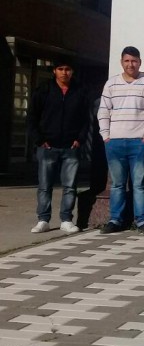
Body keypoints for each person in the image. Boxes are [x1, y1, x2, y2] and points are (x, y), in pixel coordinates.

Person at [97, 46, 144, 235]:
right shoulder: (111, 84)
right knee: (117, 184)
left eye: (134, 61)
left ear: (140, 62)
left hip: (139, 143)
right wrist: (106, 136)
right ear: (121, 62)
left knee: (140, 184)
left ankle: (143, 221)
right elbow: (103, 110)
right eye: (127, 61)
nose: (130, 64)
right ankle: (115, 220)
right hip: (114, 142)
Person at [27, 57, 90, 234]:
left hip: (71, 146)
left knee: (70, 186)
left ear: (72, 71)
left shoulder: (80, 91)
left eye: (67, 69)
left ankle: (66, 219)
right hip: (47, 146)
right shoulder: (44, 90)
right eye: (60, 69)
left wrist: (80, 138)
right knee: (45, 185)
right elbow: (32, 117)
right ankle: (43, 219)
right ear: (54, 71)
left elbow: (86, 119)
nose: (64, 72)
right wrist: (39, 139)